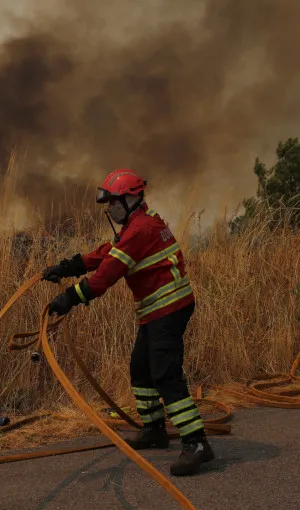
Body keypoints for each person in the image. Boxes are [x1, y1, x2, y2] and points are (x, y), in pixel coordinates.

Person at [43, 168, 215, 477]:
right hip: (156, 311)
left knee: (165, 376)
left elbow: (104, 278)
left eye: (112, 203)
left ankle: (197, 444)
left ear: (130, 199)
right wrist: (68, 266)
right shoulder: (139, 225)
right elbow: (108, 254)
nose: (109, 209)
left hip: (169, 309)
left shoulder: (140, 231)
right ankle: (154, 431)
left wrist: (69, 297)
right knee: (140, 369)